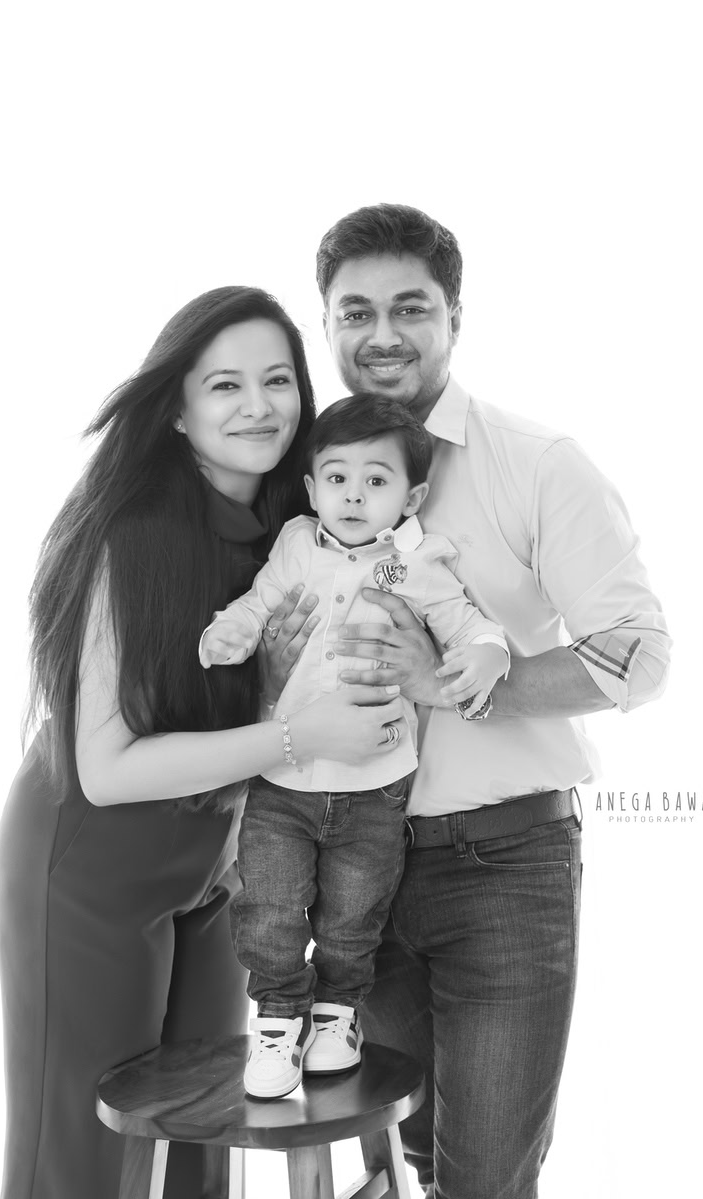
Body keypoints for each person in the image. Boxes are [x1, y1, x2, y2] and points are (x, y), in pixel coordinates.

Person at [265, 205, 671, 1199]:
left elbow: (638, 657)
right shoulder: (303, 478)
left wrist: (449, 686)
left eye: (411, 308)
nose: (382, 334)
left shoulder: (535, 462)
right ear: (326, 326)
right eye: (354, 312)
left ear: (455, 318)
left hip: (503, 868)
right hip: (354, 864)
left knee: (483, 1177)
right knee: (406, 1158)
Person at [0, 286, 406, 1199]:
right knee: (83, 1156)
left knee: (202, 1153)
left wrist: (277, 696)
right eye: (225, 385)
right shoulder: (128, 535)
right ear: (176, 411)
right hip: (88, 869)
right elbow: (106, 770)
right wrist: (296, 732)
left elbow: (227, 720)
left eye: (277, 381)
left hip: (216, 865)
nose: (257, 405)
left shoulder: (295, 537)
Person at [200, 392, 509, 1098]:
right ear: (312, 488)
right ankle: (276, 1023)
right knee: (270, 908)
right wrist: (233, 630)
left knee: (353, 911)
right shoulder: (295, 546)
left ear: (412, 496)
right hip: (284, 779)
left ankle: (336, 1017)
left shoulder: (419, 562)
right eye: (337, 478)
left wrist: (487, 654)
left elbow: (470, 626)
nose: (353, 495)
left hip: (375, 786)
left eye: (376, 481)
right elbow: (258, 600)